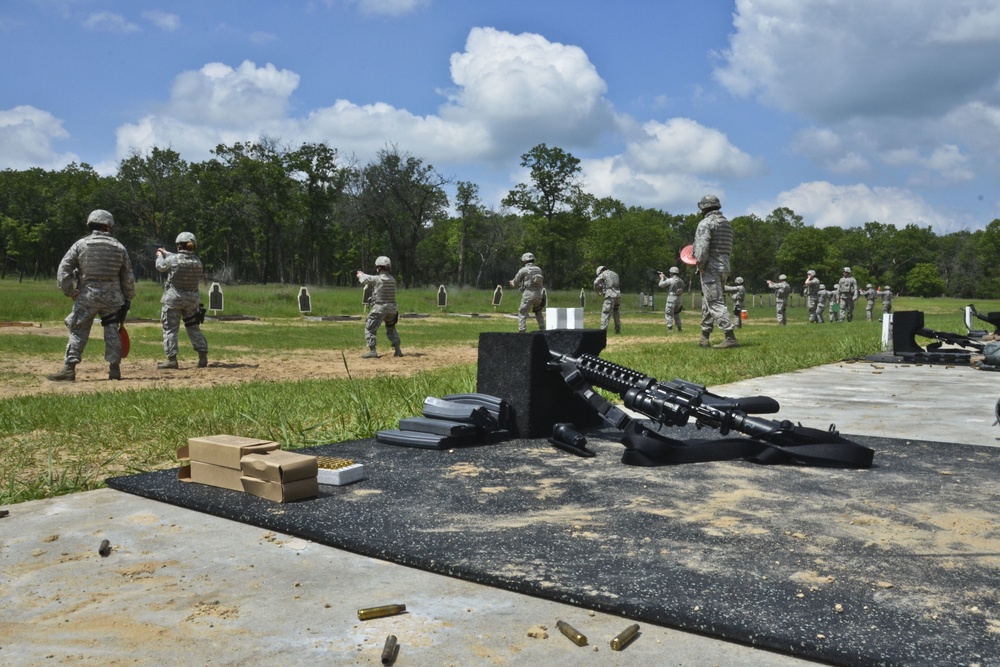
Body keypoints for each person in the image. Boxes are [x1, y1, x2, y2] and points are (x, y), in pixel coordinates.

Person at [47, 209, 136, 382]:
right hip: (112, 299)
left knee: (78, 331)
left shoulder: (81, 244)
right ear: (108, 225)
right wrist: (128, 297)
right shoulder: (119, 247)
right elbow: (128, 277)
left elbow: (63, 269)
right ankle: (114, 369)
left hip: (87, 296)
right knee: (112, 331)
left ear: (91, 224)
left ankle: (69, 368)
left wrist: (70, 291)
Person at [155, 232, 209, 369]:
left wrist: (160, 256)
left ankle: (172, 359)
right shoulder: (198, 262)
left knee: (170, 330)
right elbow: (182, 258)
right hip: (192, 301)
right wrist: (167, 252)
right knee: (193, 328)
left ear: (179, 245)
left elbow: (160, 266)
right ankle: (202, 357)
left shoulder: (173, 260)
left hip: (174, 300)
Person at [692, 194, 738, 348]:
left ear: (704, 207)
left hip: (710, 267)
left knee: (715, 302)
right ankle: (704, 337)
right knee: (708, 301)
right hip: (724, 265)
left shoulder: (705, 223)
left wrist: (700, 264)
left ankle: (730, 336)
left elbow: (702, 248)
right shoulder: (726, 223)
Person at [356, 256, 402, 358]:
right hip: (393, 309)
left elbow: (365, 279)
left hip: (380, 308)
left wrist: (360, 275)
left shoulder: (378, 279)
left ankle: (373, 351)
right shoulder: (392, 279)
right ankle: (398, 350)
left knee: (370, 328)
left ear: (379, 268)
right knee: (391, 328)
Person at [509, 252, 545, 332]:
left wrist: (512, 283)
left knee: (522, 313)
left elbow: (516, 281)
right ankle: (543, 329)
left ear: (525, 261)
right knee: (539, 313)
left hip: (528, 294)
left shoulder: (524, 270)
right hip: (539, 294)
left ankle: (522, 331)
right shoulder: (539, 269)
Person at [593, 265, 621, 334]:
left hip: (610, 295)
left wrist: (598, 291)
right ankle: (618, 329)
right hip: (618, 294)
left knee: (605, 313)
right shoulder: (615, 274)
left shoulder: (604, 274)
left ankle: (603, 331)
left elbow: (595, 282)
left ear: (601, 271)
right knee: (616, 312)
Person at [658, 267, 684, 332]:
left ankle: (670, 329)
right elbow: (673, 282)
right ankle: (679, 328)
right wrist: (665, 277)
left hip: (671, 299)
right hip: (679, 299)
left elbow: (660, 285)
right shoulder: (681, 280)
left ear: (671, 273)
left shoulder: (670, 280)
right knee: (676, 314)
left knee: (668, 314)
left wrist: (662, 278)